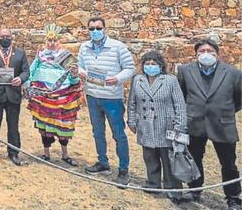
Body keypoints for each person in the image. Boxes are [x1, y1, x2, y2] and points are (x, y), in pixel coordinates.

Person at [178, 38, 242, 209]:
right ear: (196, 54)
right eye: (201, 52)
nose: (205, 54)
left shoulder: (234, 73)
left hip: (223, 124)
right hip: (195, 124)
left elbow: (239, 99)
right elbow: (182, 96)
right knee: (194, 159)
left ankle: (233, 197)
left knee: (228, 163)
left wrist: (223, 111)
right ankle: (195, 190)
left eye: (209, 51)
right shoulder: (185, 71)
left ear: (217, 53)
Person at [77, 16, 135, 185]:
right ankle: (103, 162)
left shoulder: (117, 47)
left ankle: (123, 169)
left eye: (98, 28)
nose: (95, 31)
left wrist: (117, 78)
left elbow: (130, 68)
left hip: (112, 97)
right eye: (91, 29)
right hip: (93, 95)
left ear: (104, 29)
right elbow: (80, 65)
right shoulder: (84, 47)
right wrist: (81, 71)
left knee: (118, 134)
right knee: (98, 132)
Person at [127, 51, 186, 203]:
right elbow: (132, 103)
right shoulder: (137, 80)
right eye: (148, 63)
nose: (150, 66)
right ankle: (153, 183)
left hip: (166, 126)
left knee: (168, 159)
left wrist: (180, 125)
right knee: (150, 157)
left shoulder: (170, 80)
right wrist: (132, 121)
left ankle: (172, 188)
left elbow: (179, 104)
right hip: (145, 125)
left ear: (161, 66)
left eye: (154, 64)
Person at [25, 24, 83, 165]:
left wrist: (75, 76)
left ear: (59, 41)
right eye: (49, 40)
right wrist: (27, 83)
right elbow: (31, 71)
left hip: (62, 95)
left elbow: (74, 76)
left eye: (54, 40)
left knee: (63, 123)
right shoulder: (41, 55)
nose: (51, 43)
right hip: (43, 96)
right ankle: (46, 153)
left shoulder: (66, 57)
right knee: (44, 124)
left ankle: (65, 154)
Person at [0, 29, 29, 166]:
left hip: (13, 95)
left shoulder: (20, 53)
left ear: (12, 37)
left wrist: (20, 79)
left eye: (7, 36)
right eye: (2, 36)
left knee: (13, 126)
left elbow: (26, 71)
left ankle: (13, 152)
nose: (5, 38)